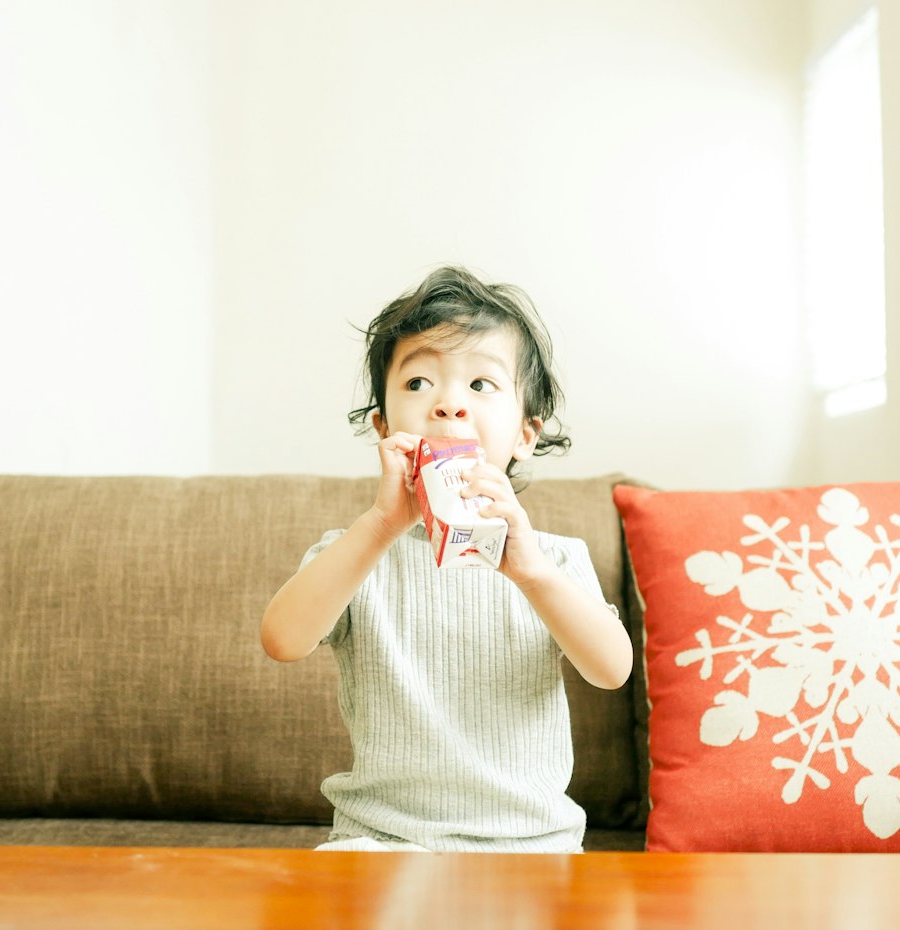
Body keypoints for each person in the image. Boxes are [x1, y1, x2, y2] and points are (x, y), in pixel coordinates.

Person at [261, 265, 632, 852]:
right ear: (384, 427)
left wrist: (531, 571)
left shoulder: (553, 558)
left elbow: (612, 670)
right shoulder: (356, 553)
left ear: (525, 436)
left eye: (480, 385)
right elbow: (282, 639)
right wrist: (380, 526)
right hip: (382, 840)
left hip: (531, 845)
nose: (448, 405)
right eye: (417, 384)